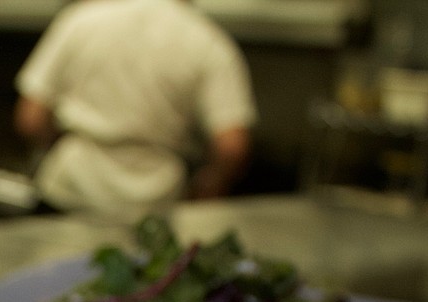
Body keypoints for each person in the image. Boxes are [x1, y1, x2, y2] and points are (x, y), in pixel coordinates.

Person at [14, 0, 257, 223]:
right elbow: (231, 147)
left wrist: (54, 144)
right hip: (155, 201)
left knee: (57, 268)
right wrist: (208, 187)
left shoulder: (82, 19)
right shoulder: (208, 41)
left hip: (72, 185)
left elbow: (31, 118)